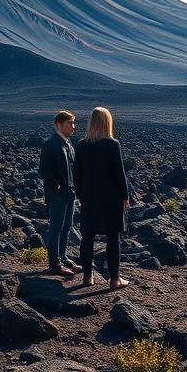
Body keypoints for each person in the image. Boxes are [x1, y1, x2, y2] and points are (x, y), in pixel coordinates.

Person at [74, 106, 131, 290]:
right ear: (108, 122)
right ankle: (114, 279)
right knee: (113, 237)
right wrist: (125, 196)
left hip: (89, 198)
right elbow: (119, 174)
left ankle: (87, 277)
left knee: (87, 237)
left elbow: (77, 174)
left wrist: (80, 194)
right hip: (111, 199)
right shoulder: (112, 144)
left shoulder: (81, 145)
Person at [38, 110, 82, 277]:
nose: (73, 126)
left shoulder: (68, 143)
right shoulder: (51, 144)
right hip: (58, 195)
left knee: (67, 227)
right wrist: (56, 187)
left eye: (73, 123)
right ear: (58, 125)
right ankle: (54, 264)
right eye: (69, 123)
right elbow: (44, 170)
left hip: (69, 193)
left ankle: (63, 258)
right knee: (56, 228)